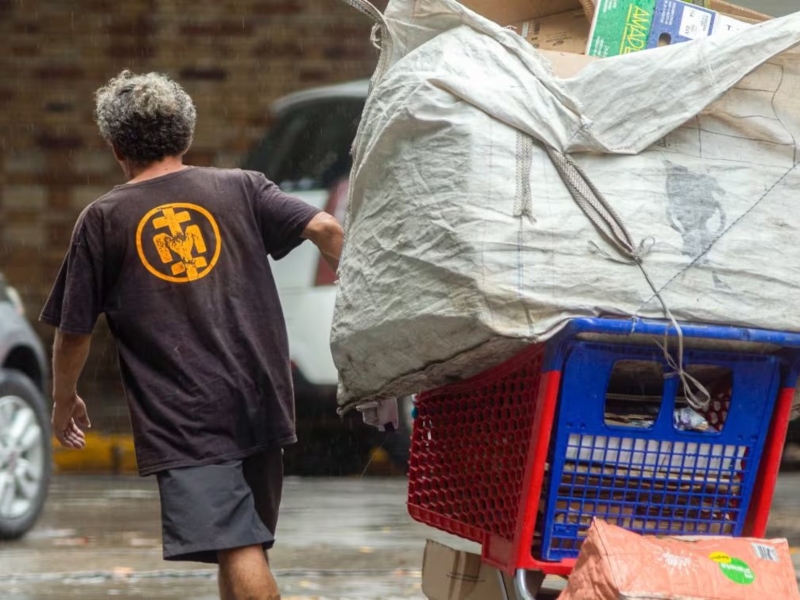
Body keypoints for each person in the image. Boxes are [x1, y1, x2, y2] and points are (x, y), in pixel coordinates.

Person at [40, 70, 344, 600]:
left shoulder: (105, 218)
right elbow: (327, 229)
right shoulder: (242, 187)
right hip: (261, 393)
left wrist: (64, 401)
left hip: (187, 410)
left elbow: (74, 331)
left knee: (238, 543)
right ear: (186, 134)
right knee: (243, 538)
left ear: (116, 147)